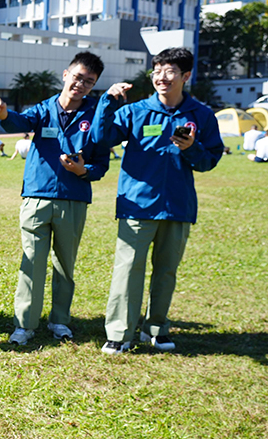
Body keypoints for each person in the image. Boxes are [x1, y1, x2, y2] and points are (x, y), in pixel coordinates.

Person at [92, 47, 223, 354]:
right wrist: (107, 101)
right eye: (157, 72)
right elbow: (101, 138)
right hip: (137, 204)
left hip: (178, 206)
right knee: (128, 270)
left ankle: (157, 328)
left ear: (185, 76)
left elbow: (209, 160)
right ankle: (119, 333)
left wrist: (191, 147)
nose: (161, 78)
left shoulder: (201, 115)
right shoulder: (134, 112)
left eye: (169, 72)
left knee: (166, 271)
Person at [0, 51, 110, 346]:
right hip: (37, 197)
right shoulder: (43, 109)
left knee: (65, 265)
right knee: (32, 262)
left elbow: (102, 162)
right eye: (77, 77)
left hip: (73, 197)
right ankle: (24, 325)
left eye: (89, 82)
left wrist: (84, 170)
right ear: (66, 75)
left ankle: (60, 321)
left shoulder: (95, 115)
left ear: (93, 86)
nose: (80, 85)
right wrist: (3, 113)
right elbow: (18, 120)